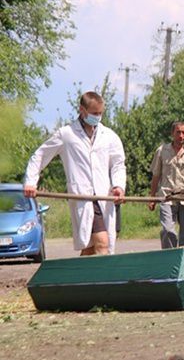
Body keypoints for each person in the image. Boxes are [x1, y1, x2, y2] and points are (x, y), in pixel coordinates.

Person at [23, 91, 126, 255]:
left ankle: (77, 278)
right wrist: (30, 182)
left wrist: (119, 186)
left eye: (100, 113)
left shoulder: (109, 136)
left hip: (105, 197)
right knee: (102, 243)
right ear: (82, 110)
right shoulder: (66, 134)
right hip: (83, 196)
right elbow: (40, 156)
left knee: (90, 248)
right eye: (94, 113)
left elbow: (118, 164)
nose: (98, 117)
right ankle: (105, 279)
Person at [148, 122, 184, 249]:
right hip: (167, 197)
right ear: (172, 134)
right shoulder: (162, 151)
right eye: (178, 132)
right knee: (168, 230)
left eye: (183, 132)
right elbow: (156, 176)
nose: (180, 135)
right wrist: (152, 197)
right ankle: (169, 258)